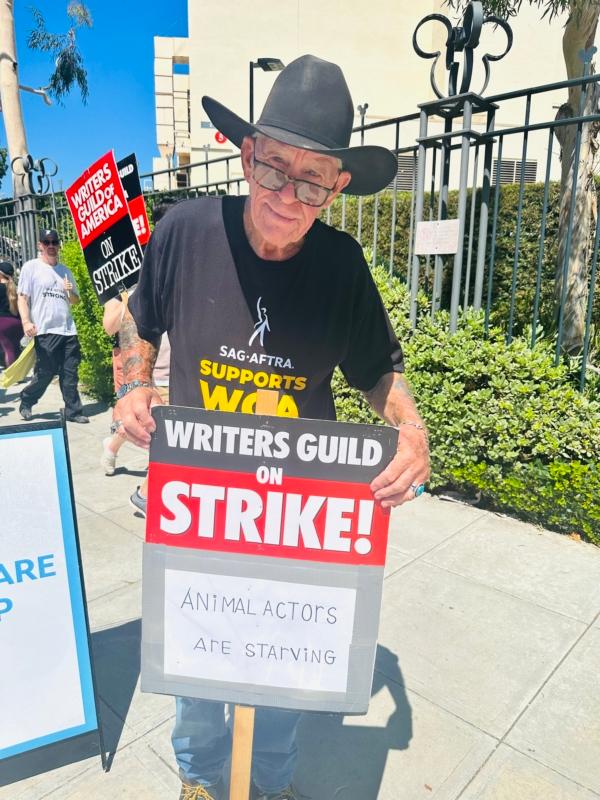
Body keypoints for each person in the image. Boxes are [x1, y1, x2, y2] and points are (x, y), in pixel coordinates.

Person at [113, 55, 430, 800]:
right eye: (274, 168)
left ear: (338, 185)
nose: (288, 195)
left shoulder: (342, 267)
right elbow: (137, 320)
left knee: (286, 671)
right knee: (195, 662)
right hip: (199, 499)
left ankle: (273, 785)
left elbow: (379, 370)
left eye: (312, 178)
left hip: (297, 515)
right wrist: (133, 383)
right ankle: (196, 780)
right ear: (246, 154)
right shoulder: (186, 231)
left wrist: (411, 431)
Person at [17, 229, 88, 422]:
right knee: (45, 373)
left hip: (67, 330)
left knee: (70, 373)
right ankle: (27, 399)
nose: (51, 246)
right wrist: (26, 322)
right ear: (40, 245)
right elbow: (22, 298)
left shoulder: (65, 271)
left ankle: (74, 411)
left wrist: (70, 292)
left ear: (58, 245)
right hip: (45, 330)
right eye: (46, 242)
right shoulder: (31, 267)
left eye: (54, 242)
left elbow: (75, 301)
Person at [0, 261, 23, 368]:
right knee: (15, 347)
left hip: (3, 323)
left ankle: (12, 376)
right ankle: (19, 374)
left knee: (8, 349)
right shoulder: (16, 288)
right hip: (18, 323)